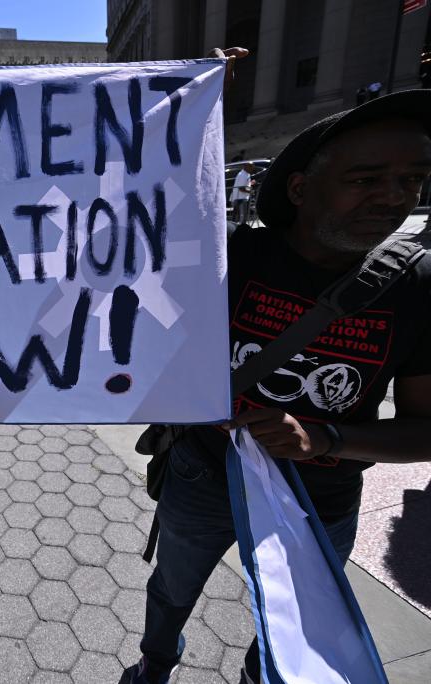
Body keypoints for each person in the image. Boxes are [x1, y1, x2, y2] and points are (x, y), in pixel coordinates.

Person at [121, 58, 431, 684]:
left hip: (322, 498)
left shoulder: (419, 286)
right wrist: (188, 118)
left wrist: (326, 439)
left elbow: (428, 428)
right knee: (172, 589)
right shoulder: (229, 258)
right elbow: (136, 229)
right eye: (366, 178)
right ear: (299, 189)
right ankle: (154, 666)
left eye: (414, 179)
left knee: (293, 629)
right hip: (203, 471)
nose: (395, 197)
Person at [229, 162, 255, 227]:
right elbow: (241, 188)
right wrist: (250, 191)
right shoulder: (242, 175)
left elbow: (244, 185)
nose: (252, 168)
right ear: (246, 167)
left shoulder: (246, 174)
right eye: (251, 167)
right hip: (240, 198)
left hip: (241, 197)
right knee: (241, 216)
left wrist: (250, 184)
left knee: (238, 215)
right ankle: (238, 230)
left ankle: (237, 229)